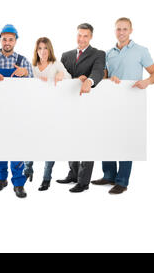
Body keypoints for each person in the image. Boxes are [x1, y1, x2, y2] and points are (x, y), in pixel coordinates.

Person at [91, 17, 154, 194]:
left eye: (124, 29)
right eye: (118, 29)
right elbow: (104, 76)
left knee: (125, 139)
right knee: (107, 136)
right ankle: (109, 175)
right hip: (110, 102)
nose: (121, 32)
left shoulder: (141, 51)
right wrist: (108, 77)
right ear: (115, 31)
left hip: (131, 102)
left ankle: (122, 181)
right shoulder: (108, 53)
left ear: (130, 31)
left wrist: (146, 82)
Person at [56, 23, 106, 193]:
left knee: (86, 140)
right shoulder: (66, 55)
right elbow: (63, 74)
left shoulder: (98, 54)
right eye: (79, 35)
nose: (81, 39)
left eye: (85, 36)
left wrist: (89, 81)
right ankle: (73, 173)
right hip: (69, 104)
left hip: (88, 104)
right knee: (70, 138)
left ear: (90, 37)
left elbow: (98, 72)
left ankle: (84, 182)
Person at [0, 24, 33, 198]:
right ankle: (1, 178)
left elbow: (34, 86)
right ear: (0, 39)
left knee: (16, 146)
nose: (7, 42)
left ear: (15, 41)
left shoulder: (24, 62)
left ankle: (19, 183)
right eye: (4, 39)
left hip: (16, 112)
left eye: (10, 39)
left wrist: (25, 74)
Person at [23, 37, 71, 191]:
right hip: (35, 111)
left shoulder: (56, 64)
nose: (42, 52)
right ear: (36, 51)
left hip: (52, 111)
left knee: (50, 144)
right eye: (39, 49)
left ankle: (46, 178)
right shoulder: (32, 66)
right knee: (30, 142)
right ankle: (28, 169)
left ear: (50, 50)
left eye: (45, 48)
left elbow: (69, 78)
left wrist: (61, 75)